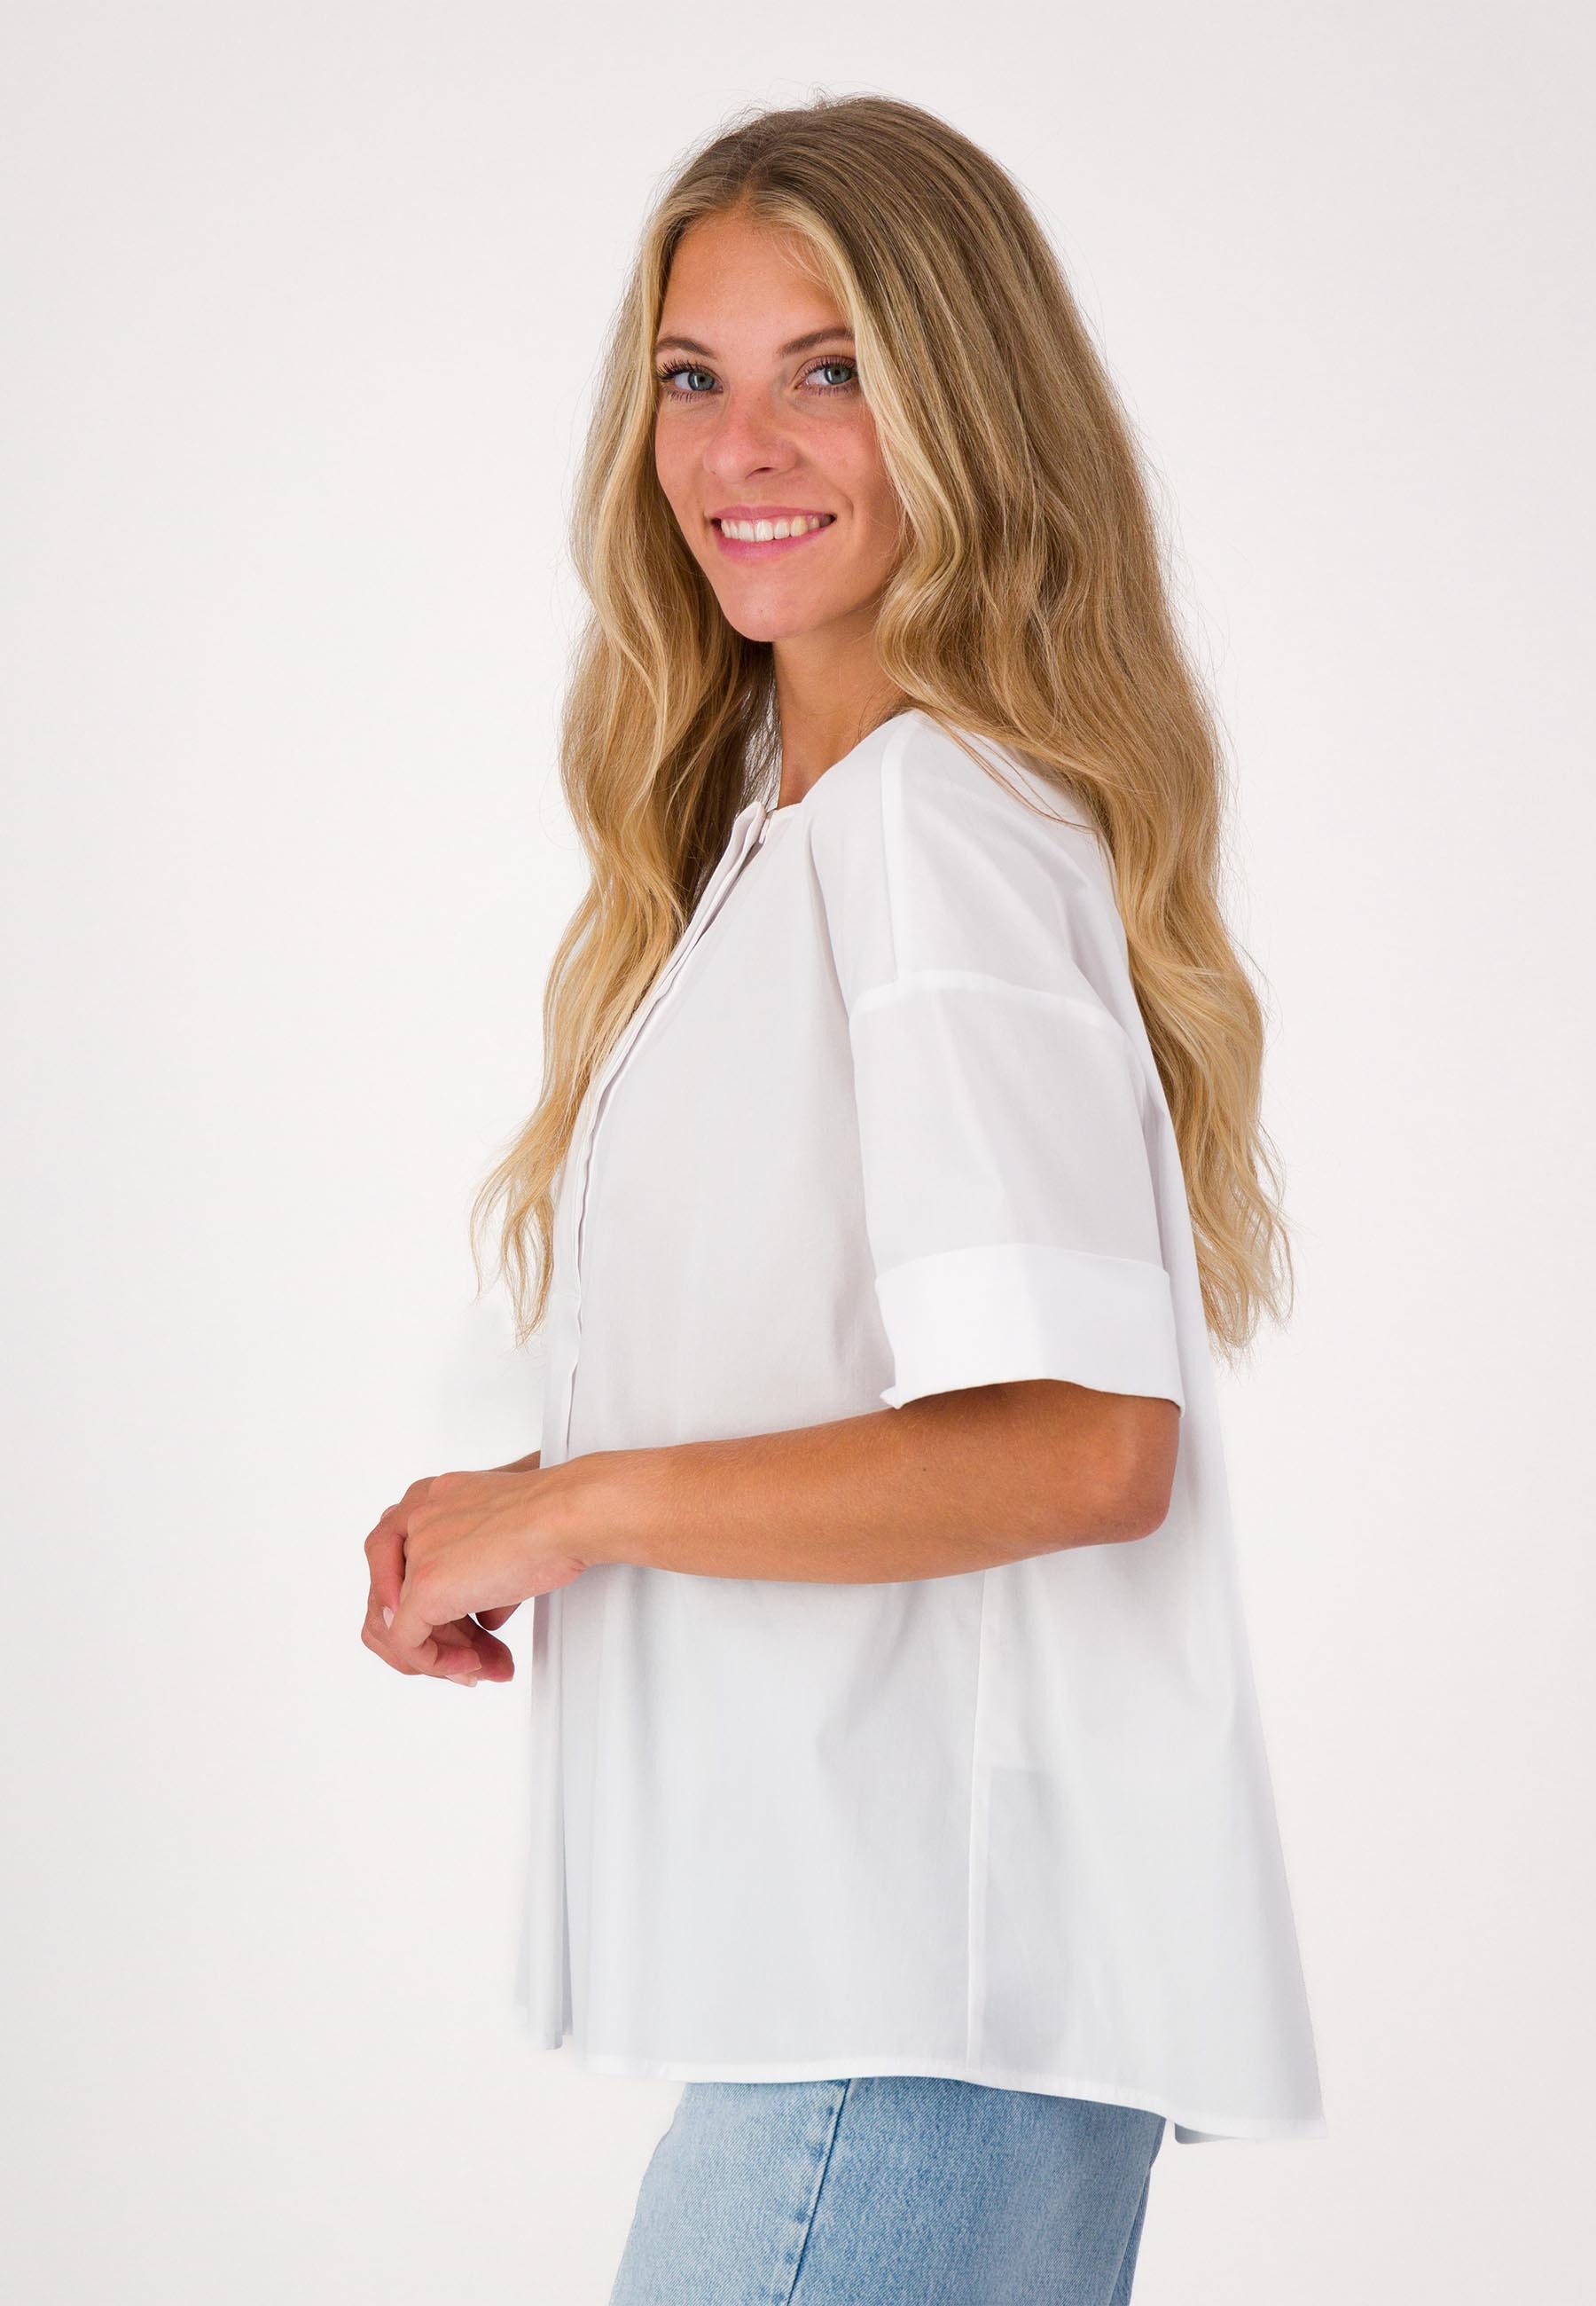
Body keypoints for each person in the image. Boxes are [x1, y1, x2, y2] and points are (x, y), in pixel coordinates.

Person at [361, 92, 1326, 2306]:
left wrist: (577, 1508)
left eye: (832, 370)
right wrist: (530, 1493)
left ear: (965, 412)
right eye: (692, 376)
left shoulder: (932, 838)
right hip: (889, 2006)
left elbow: (1084, 1447)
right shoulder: (799, 843)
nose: (741, 448)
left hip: (910, 2026)